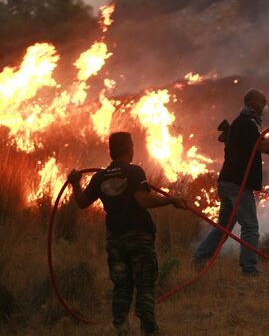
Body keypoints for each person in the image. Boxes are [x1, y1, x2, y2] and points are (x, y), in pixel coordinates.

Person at [68, 132, 187, 336]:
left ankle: (121, 326)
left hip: (115, 239)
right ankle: (148, 329)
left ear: (111, 151)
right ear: (129, 148)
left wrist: (75, 183)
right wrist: (170, 201)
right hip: (138, 237)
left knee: (121, 284)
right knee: (145, 282)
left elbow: (81, 203)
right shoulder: (134, 172)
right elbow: (143, 200)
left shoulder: (100, 177)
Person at [192, 89, 269, 274]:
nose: (265, 105)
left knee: (223, 227)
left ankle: (199, 258)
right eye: (262, 101)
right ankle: (249, 268)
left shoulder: (247, 124)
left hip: (228, 182)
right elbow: (264, 146)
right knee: (250, 226)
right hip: (236, 184)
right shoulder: (245, 124)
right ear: (251, 103)